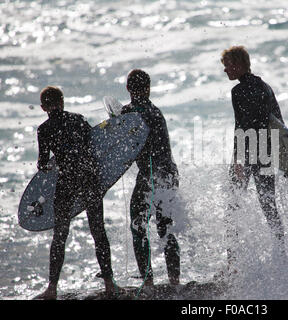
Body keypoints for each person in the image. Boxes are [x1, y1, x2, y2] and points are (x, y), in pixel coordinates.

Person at [34, 86, 121, 299]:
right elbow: (94, 146)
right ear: (62, 102)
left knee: (60, 236)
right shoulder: (78, 119)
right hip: (89, 178)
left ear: (43, 107)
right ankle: (110, 284)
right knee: (98, 231)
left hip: (67, 183)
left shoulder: (44, 130)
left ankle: (52, 289)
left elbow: (43, 163)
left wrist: (46, 165)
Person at [221, 46, 286, 271]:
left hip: (248, 154)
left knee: (233, 206)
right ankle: (282, 256)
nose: (225, 70)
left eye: (227, 65)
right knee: (269, 206)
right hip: (265, 153)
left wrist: (237, 160)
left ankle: (233, 264)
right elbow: (278, 121)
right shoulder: (265, 87)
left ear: (239, 64)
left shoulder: (238, 91)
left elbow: (241, 127)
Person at [121, 69, 180, 288]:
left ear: (128, 89)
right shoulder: (156, 111)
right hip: (170, 174)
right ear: (149, 88)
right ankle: (175, 282)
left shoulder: (130, 114)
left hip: (150, 176)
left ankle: (148, 283)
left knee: (138, 225)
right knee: (165, 227)